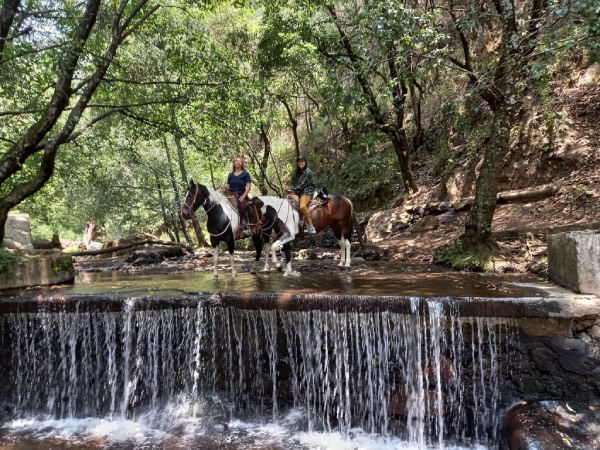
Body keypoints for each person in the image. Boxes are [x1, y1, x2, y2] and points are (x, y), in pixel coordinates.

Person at [285, 155, 316, 234]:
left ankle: (311, 226)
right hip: (300, 192)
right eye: (299, 162)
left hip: (307, 193)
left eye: (302, 161)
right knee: (287, 201)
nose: (300, 163)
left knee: (302, 206)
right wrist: (290, 191)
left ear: (305, 162)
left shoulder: (307, 172)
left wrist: (290, 187)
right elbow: (298, 187)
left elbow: (301, 186)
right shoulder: (300, 173)